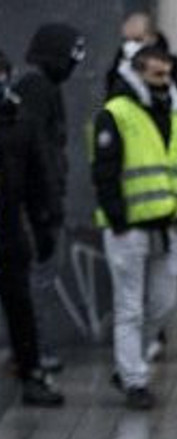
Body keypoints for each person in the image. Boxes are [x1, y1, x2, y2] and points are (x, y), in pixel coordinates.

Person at [111, 12, 177, 364]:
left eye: (141, 40)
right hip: (141, 193)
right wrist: (127, 61)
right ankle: (150, 338)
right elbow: (114, 101)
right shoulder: (124, 79)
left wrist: (159, 64)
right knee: (144, 272)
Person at [91, 45, 177, 410]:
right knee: (129, 307)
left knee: (164, 304)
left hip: (167, 225)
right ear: (138, 73)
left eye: (168, 75)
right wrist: (117, 219)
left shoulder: (176, 112)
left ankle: (128, 363)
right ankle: (134, 379)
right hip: (128, 227)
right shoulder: (117, 112)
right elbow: (103, 172)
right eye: (157, 75)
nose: (165, 82)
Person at [15, 23, 85, 375]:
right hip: (35, 205)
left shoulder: (41, 90)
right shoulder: (37, 90)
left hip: (39, 203)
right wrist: (45, 206)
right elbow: (37, 154)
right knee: (36, 281)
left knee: (38, 280)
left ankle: (33, 350)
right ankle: (33, 352)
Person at [0, 51, 64, 407]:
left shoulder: (20, 123)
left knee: (20, 307)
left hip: (9, 233)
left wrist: (44, 226)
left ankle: (32, 373)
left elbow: (40, 180)